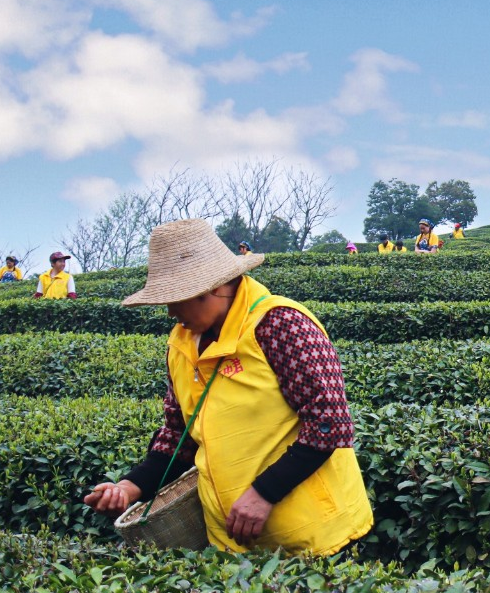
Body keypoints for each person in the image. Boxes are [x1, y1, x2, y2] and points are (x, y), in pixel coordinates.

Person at [83, 220, 374, 555]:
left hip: (314, 538)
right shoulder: (181, 344)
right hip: (229, 544)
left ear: (211, 287)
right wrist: (131, 486)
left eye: (177, 299)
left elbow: (328, 423)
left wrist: (264, 492)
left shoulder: (280, 324)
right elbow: (180, 435)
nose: (170, 311)